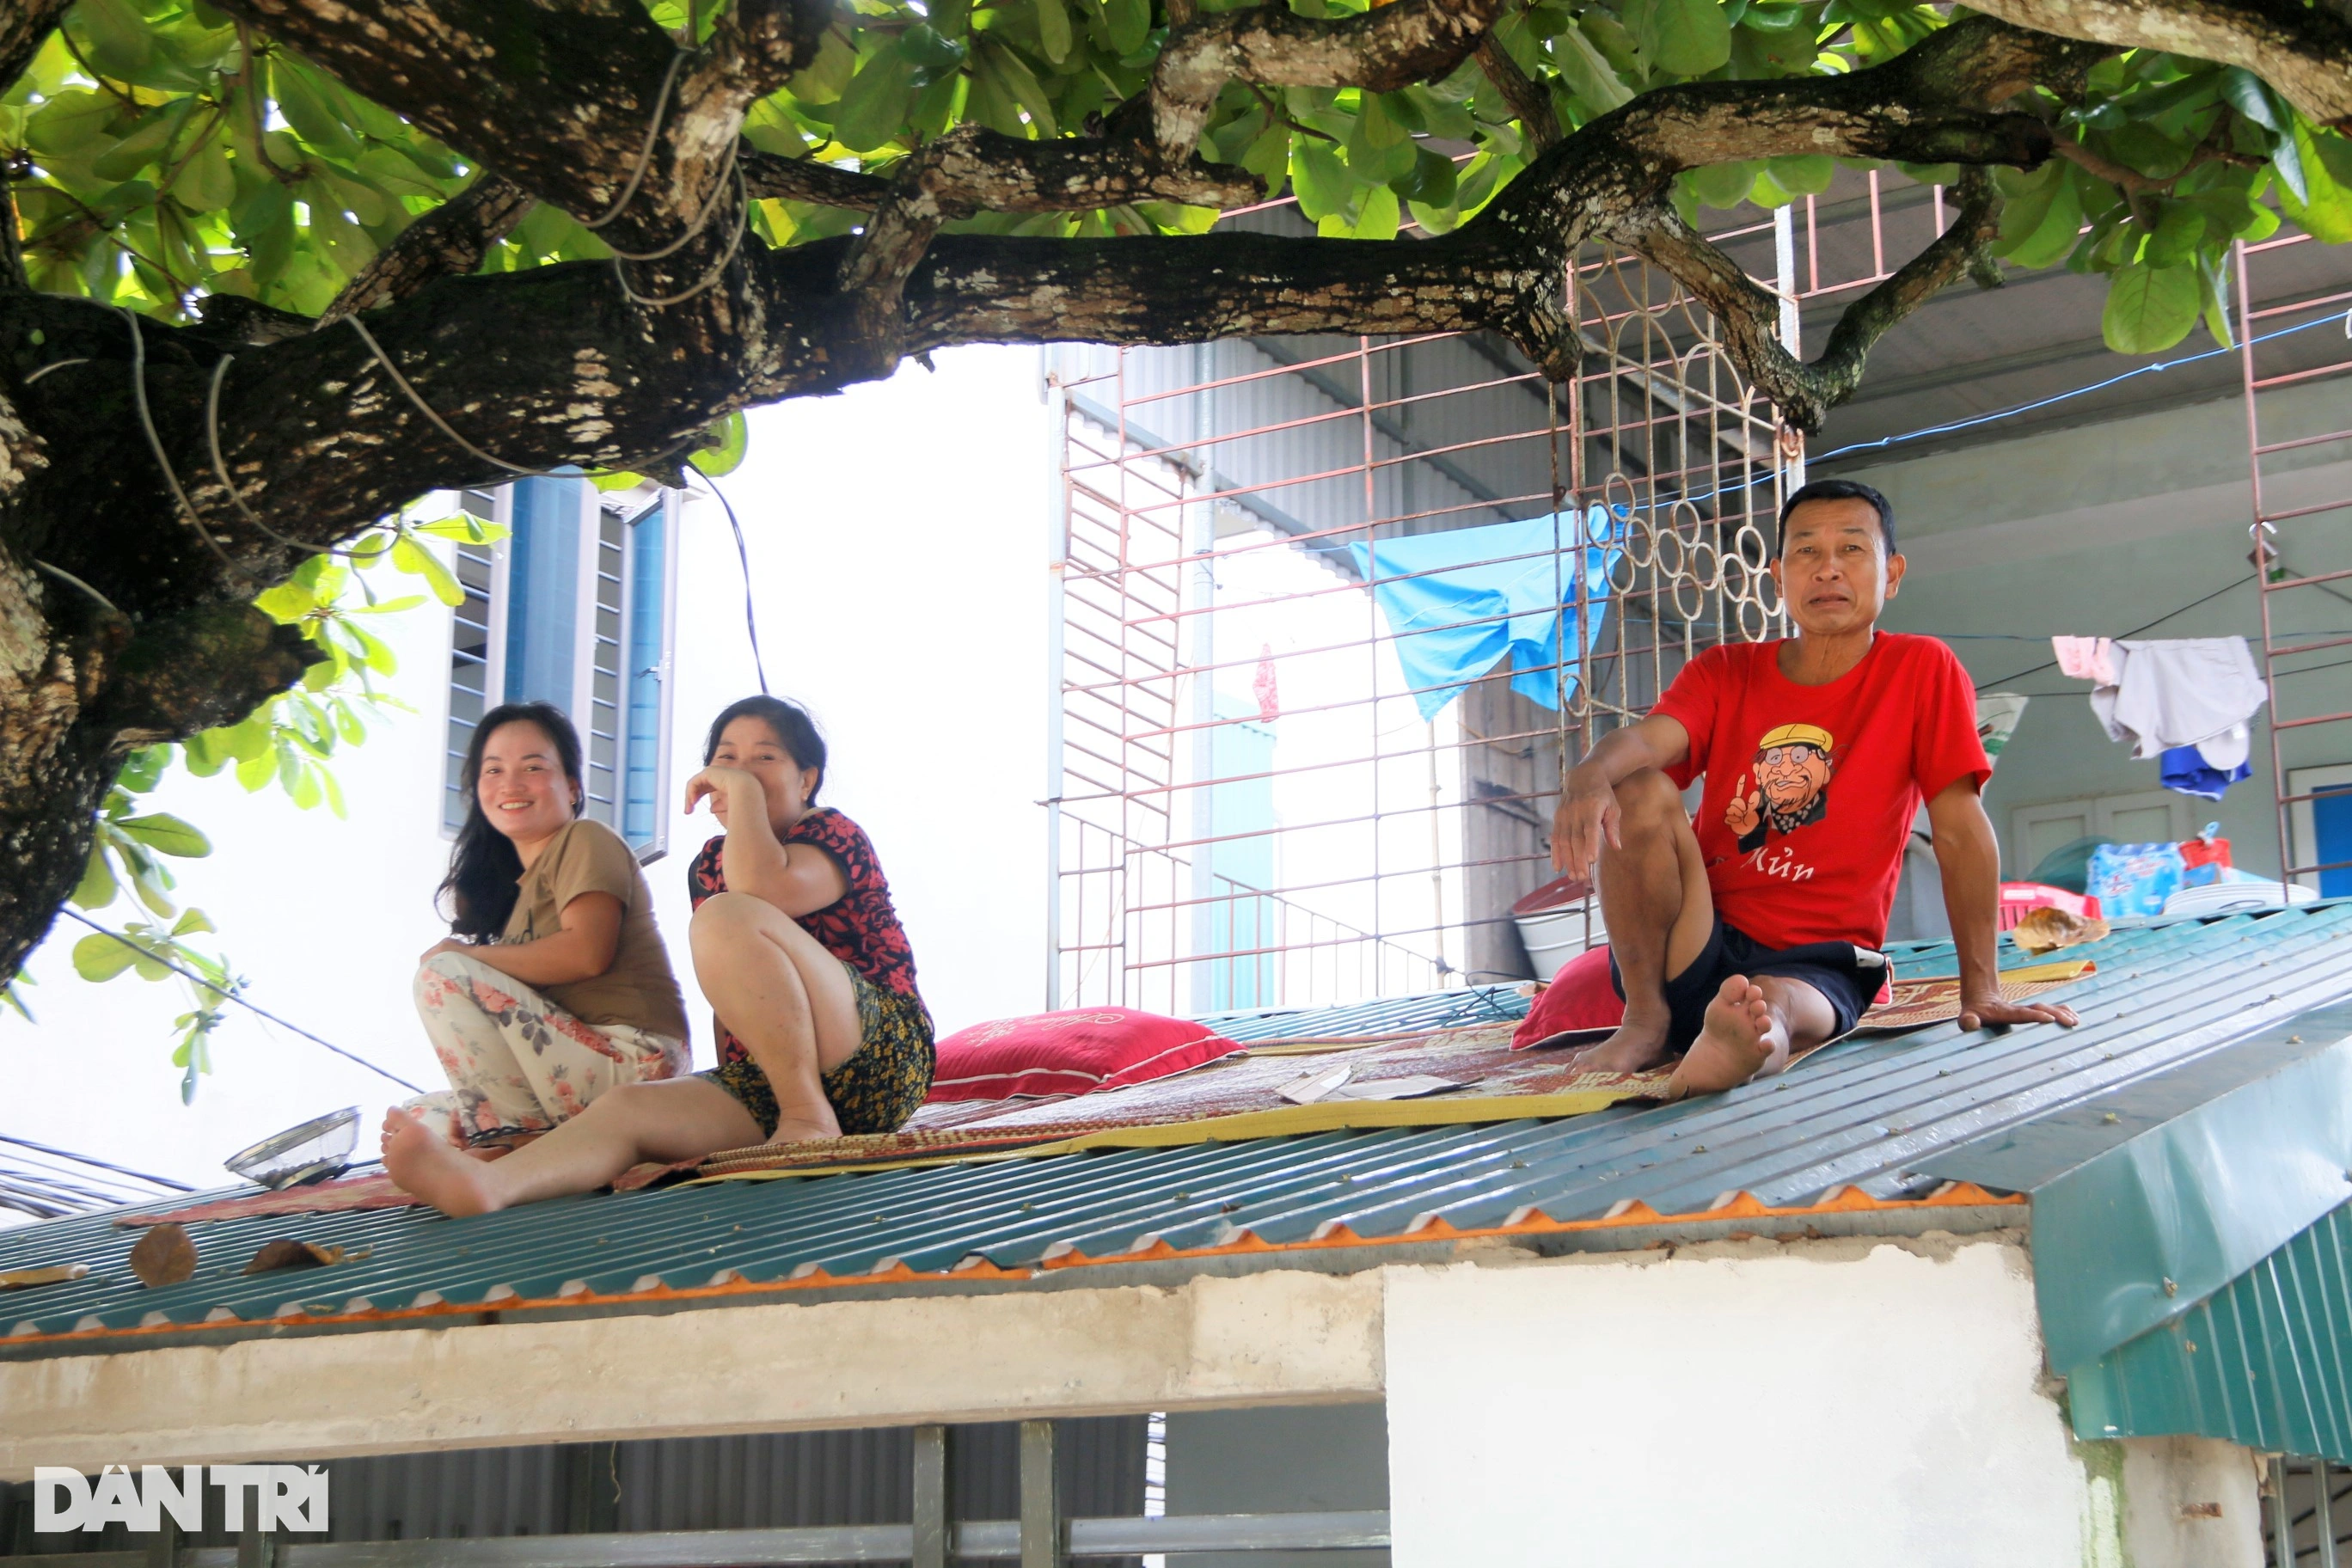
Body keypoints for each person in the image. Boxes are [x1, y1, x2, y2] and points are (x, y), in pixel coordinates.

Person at [1549, 479, 2078, 1099]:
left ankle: (1743, 1043)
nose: (1827, 569)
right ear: (1778, 575)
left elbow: (1960, 830)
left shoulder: (1920, 669)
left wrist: (1982, 989)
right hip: (1697, 938)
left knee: (1775, 1005)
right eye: (1806, 551)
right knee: (1635, 785)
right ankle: (1646, 1019)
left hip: (1817, 960)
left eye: (1852, 550)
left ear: (1893, 573)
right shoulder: (1724, 673)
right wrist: (1588, 773)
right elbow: (1644, 743)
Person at [381, 696, 936, 1216]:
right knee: (623, 1111)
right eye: (727, 760)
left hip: (877, 1056)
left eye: (763, 759)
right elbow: (742, 999)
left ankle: (807, 1115)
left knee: (723, 916)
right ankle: (491, 1186)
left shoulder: (831, 833)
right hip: (776, 1079)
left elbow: (762, 891)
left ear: (807, 779)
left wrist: (741, 793)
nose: (741, 771)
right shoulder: (710, 864)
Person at [398, 702, 691, 1146]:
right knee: (413, 1121)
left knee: (441, 976)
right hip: (577, 1064)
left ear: (572, 787)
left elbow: (586, 954)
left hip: (636, 1060)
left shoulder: (585, 838)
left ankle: (509, 1142)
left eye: (532, 767)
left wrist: (467, 956)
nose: (511, 784)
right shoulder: (516, 896)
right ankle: (510, 1134)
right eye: (493, 771)